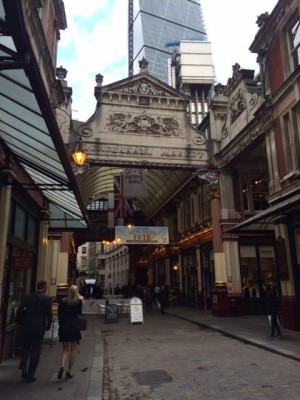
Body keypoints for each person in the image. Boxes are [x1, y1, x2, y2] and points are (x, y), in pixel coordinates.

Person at [16, 280, 52, 383]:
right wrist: (48, 325)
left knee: (26, 347)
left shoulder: (28, 296)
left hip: (26, 327)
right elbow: (49, 314)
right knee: (36, 350)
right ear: (44, 288)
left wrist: (20, 321)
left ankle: (23, 363)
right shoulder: (47, 299)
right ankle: (30, 375)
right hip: (38, 329)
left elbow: (20, 310)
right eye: (46, 287)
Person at [57, 285, 84, 380]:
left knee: (65, 349)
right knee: (73, 349)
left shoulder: (63, 301)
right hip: (74, 326)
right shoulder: (78, 302)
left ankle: (62, 366)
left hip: (64, 326)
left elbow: (59, 315)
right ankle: (68, 371)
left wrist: (60, 325)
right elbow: (79, 314)